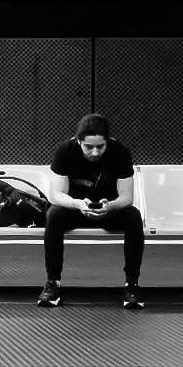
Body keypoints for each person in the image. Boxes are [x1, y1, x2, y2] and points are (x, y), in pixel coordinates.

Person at [37, 113, 145, 309]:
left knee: (133, 216)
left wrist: (109, 205)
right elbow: (56, 195)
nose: (94, 152)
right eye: (89, 147)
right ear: (79, 142)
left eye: (100, 147)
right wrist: (78, 204)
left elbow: (127, 198)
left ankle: (132, 284)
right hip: (76, 208)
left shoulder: (120, 152)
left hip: (108, 210)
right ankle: (53, 283)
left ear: (107, 142)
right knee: (54, 214)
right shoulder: (65, 151)